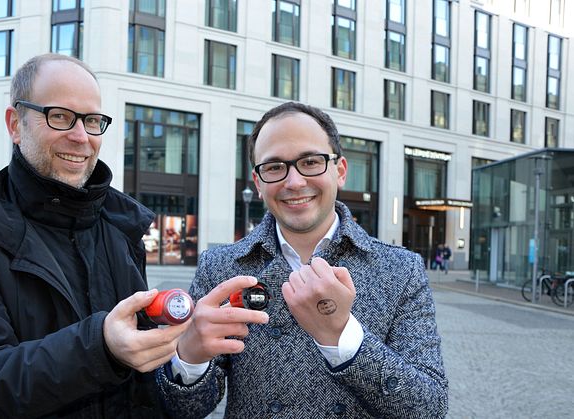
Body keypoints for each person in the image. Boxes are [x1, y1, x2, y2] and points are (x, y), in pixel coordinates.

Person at [0, 53, 189, 417]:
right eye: (60, 116)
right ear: (16, 124)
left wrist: (189, 350)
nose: (81, 137)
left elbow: (142, 385)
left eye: (92, 120)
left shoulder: (122, 228)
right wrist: (100, 347)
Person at [156, 102, 448, 418]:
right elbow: (182, 410)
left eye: (310, 162)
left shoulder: (400, 270)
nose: (294, 182)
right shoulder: (220, 266)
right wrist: (190, 357)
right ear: (258, 183)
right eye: (274, 167)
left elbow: (429, 408)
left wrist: (342, 336)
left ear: (340, 171)